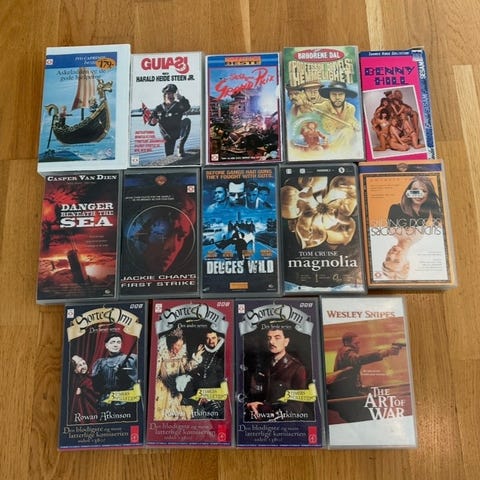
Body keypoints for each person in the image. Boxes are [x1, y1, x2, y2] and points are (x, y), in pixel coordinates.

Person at [245, 325, 307, 420]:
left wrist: (264, 410)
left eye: (277, 338)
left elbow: (295, 407)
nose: (271, 342)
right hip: (256, 420)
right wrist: (249, 405)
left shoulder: (296, 368)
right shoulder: (262, 365)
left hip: (281, 422)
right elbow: (252, 392)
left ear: (286, 342)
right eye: (269, 338)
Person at [330, 332, 401, 399]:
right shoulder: (346, 351)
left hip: (348, 391)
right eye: (356, 343)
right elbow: (358, 360)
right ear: (346, 343)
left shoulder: (343, 352)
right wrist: (384, 353)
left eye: (359, 343)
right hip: (348, 393)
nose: (358, 346)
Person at [155, 327, 202, 421]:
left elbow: (187, 368)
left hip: (176, 388)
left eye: (181, 345)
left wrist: (196, 357)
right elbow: (155, 373)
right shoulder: (161, 355)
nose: (179, 348)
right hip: (163, 388)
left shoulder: (181, 356)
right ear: (171, 343)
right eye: (177, 345)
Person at [182, 330, 225, 417]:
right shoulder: (202, 349)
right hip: (200, 390)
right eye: (208, 338)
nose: (211, 341)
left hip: (217, 392)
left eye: (213, 338)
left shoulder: (223, 351)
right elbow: (187, 369)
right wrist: (196, 357)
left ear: (218, 338)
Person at [91, 332, 138, 412]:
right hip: (105, 403)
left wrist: (123, 376)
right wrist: (96, 378)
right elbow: (96, 387)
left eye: (118, 342)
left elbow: (135, 384)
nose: (116, 345)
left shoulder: (130, 360)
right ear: (106, 345)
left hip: (124, 403)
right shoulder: (100, 363)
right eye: (112, 342)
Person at [149, 83, 191, 157]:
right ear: (165, 95)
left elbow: (187, 107)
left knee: (187, 121)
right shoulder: (159, 108)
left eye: (173, 94)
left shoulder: (178, 105)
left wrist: (181, 98)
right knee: (169, 155)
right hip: (167, 135)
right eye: (168, 94)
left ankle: (180, 146)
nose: (171, 96)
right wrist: (152, 121)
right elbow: (151, 120)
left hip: (177, 131)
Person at [315, 81, 360, 149]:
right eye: (334, 94)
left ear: (345, 95)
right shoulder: (323, 106)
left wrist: (355, 125)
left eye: (340, 94)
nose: (337, 97)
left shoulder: (350, 108)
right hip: (327, 139)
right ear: (329, 95)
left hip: (345, 142)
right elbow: (311, 108)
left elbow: (351, 120)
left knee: (348, 132)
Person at [69, 355, 98, 423]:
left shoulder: (90, 378)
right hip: (84, 409)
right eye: (80, 365)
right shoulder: (76, 381)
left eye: (84, 363)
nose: (83, 366)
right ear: (75, 370)